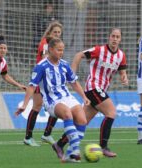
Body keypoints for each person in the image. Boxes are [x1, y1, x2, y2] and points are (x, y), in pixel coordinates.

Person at [52, 28, 129, 158]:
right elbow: (78, 55)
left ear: (120, 39)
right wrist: (72, 73)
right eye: (113, 36)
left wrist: (124, 77)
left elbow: (122, 71)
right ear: (109, 37)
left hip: (101, 90)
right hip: (93, 87)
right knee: (111, 113)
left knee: (82, 121)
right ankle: (103, 147)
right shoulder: (99, 50)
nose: (115, 39)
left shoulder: (121, 56)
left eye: (117, 37)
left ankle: (59, 144)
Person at [15, 37, 89, 163]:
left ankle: (68, 152)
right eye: (59, 50)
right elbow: (32, 86)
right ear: (50, 49)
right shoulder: (41, 66)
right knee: (67, 113)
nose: (61, 52)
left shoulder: (64, 64)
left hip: (67, 97)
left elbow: (74, 83)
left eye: (62, 50)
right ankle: (75, 151)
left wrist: (84, 97)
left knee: (82, 119)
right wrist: (25, 104)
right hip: (51, 101)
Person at [15, 21, 63, 147]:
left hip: (51, 81)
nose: (57, 34)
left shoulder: (58, 45)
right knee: (37, 107)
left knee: (57, 104)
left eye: (59, 32)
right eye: (55, 32)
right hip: (41, 80)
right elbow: (44, 60)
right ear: (50, 32)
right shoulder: (45, 44)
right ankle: (28, 137)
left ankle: (47, 134)